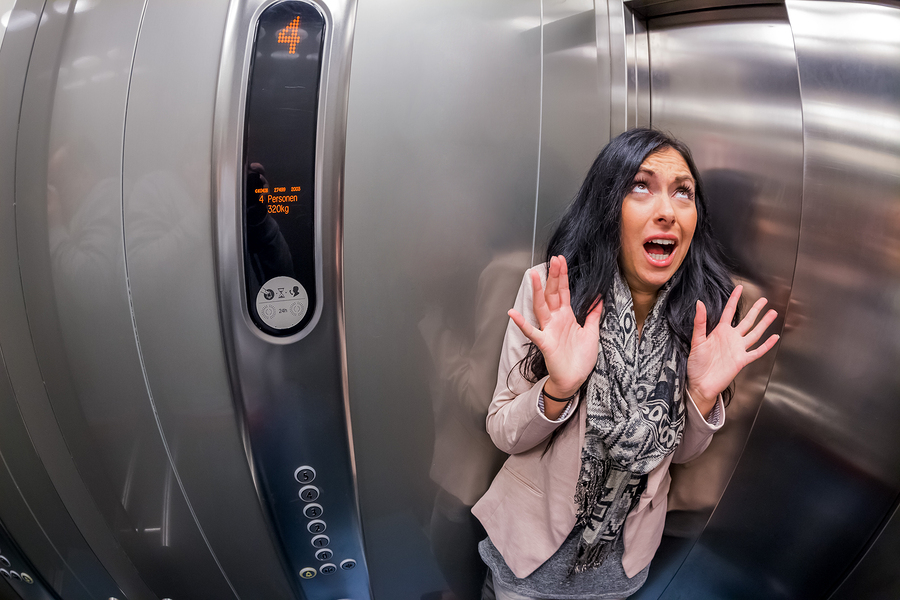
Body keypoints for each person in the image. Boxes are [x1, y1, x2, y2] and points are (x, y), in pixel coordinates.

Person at [472, 128, 780, 600]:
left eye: (683, 192)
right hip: (527, 566)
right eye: (641, 186)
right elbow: (502, 430)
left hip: (621, 573)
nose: (667, 210)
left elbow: (679, 455)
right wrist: (558, 390)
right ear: (607, 203)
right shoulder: (554, 291)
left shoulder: (699, 316)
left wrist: (701, 397)